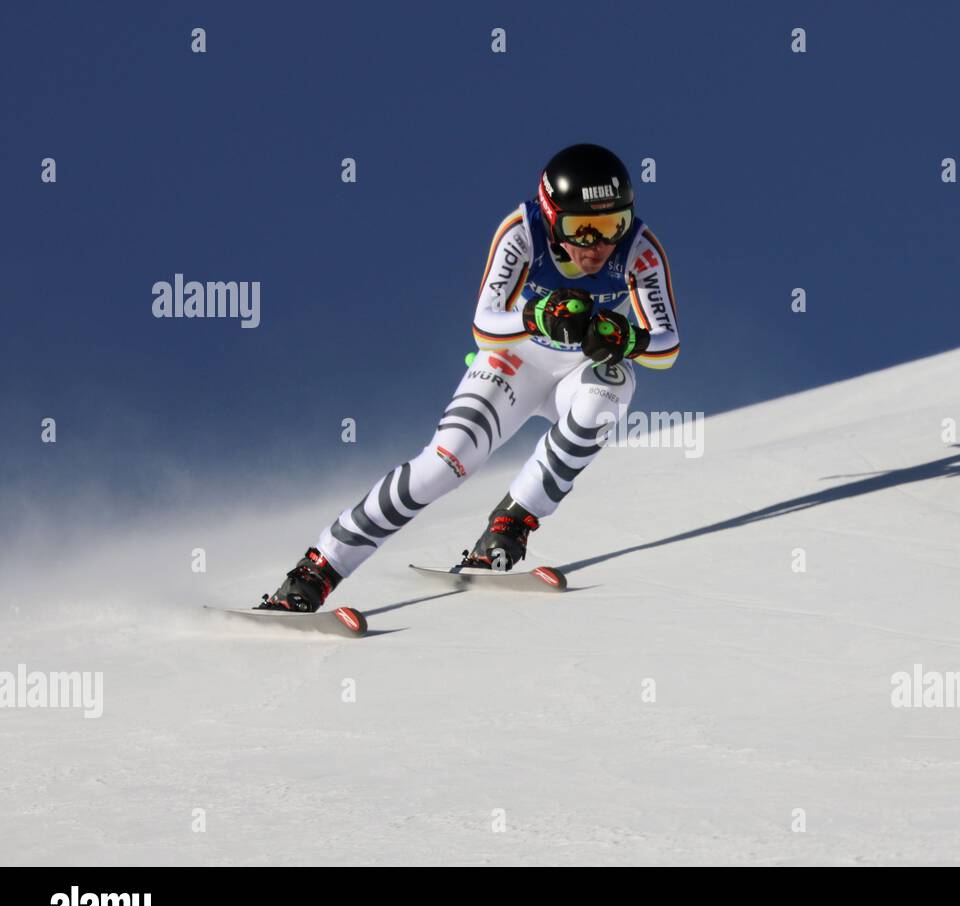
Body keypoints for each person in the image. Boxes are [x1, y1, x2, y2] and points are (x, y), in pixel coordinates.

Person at [259, 144, 680, 611]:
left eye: (611, 225)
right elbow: (484, 323)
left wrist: (626, 337)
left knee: (616, 384)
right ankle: (316, 571)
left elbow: (668, 345)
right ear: (550, 216)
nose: (598, 245)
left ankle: (509, 526)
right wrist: (538, 317)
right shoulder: (522, 232)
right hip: (513, 362)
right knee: (444, 464)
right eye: (580, 228)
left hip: (576, 373)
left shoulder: (639, 252)